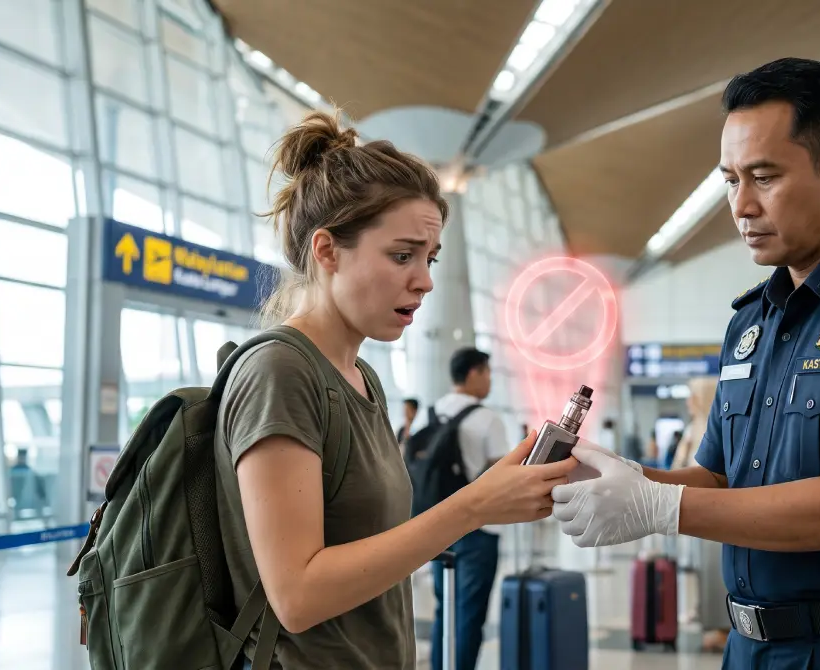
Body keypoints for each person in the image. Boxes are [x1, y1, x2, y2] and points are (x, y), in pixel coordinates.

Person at [550, 58, 820, 670]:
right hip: (749, 647)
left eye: (765, 177)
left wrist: (660, 508)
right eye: (730, 181)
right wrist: (621, 478)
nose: (741, 206)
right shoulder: (753, 322)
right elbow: (720, 480)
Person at [213, 111, 576, 669]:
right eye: (402, 255)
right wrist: (474, 505)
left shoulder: (362, 379)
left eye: (429, 259)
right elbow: (296, 597)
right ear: (327, 251)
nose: (424, 280)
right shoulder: (280, 372)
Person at [429, 347, 510, 670]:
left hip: (435, 526)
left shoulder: (430, 413)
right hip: (479, 529)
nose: (490, 380)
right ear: (474, 373)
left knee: (444, 608)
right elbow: (503, 475)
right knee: (469, 612)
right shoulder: (488, 419)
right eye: (487, 373)